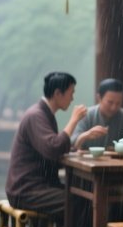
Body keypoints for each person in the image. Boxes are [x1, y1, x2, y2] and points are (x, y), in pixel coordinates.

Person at [5, 71, 85, 211]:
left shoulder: (45, 114)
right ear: (58, 93)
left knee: (83, 195)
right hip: (25, 190)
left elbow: (52, 151)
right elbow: (53, 148)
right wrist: (73, 120)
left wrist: (79, 141)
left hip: (38, 186)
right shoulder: (36, 115)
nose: (72, 98)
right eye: (71, 93)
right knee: (79, 202)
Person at [71, 78, 123, 150]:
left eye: (118, 103)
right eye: (110, 102)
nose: (113, 108)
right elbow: (72, 143)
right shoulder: (86, 115)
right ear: (99, 98)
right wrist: (86, 135)